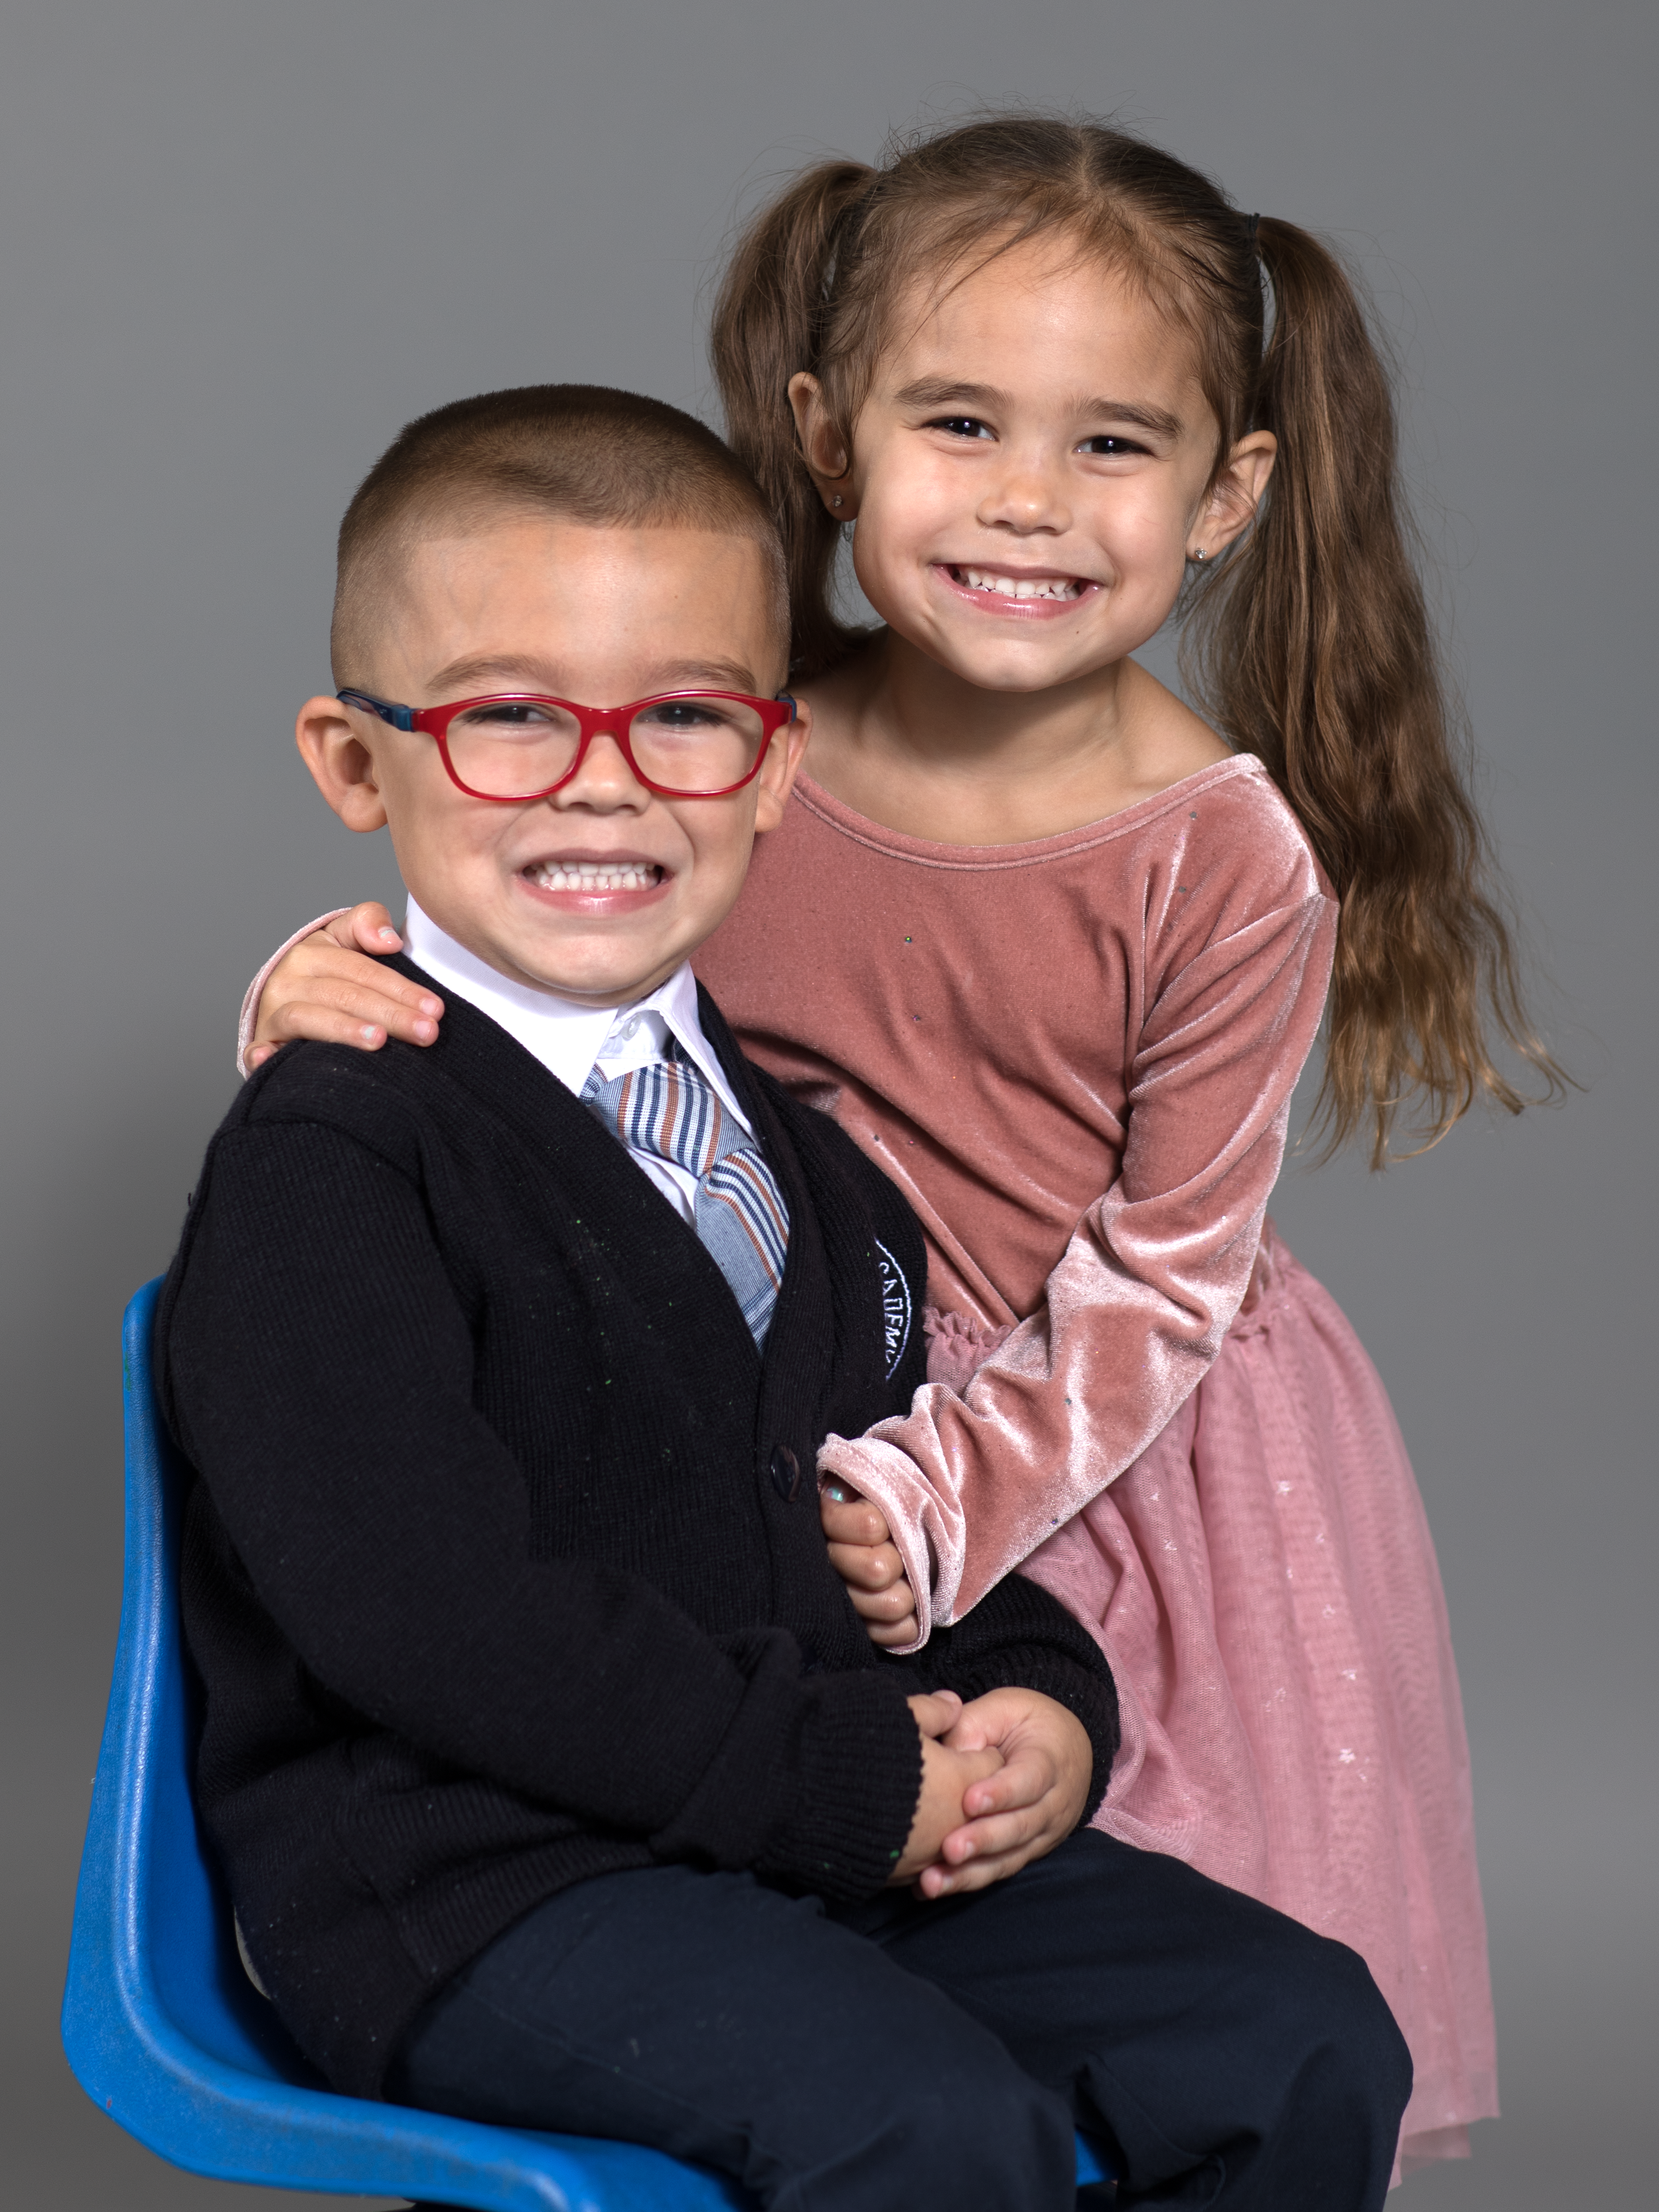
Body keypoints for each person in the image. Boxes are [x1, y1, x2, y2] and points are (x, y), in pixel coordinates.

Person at [234, 116, 1533, 2169]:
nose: (1026, 498)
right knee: (923, 2103)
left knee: (1278, 2024)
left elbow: (1104, 1288)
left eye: (1109, 444)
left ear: (1227, 494)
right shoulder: (705, 780)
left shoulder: (869, 1130)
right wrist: (331, 978)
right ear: (833, 438)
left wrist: (1036, 1686)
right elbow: (519, 934)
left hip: (1052, 1451)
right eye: (960, 422)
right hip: (637, 1701)